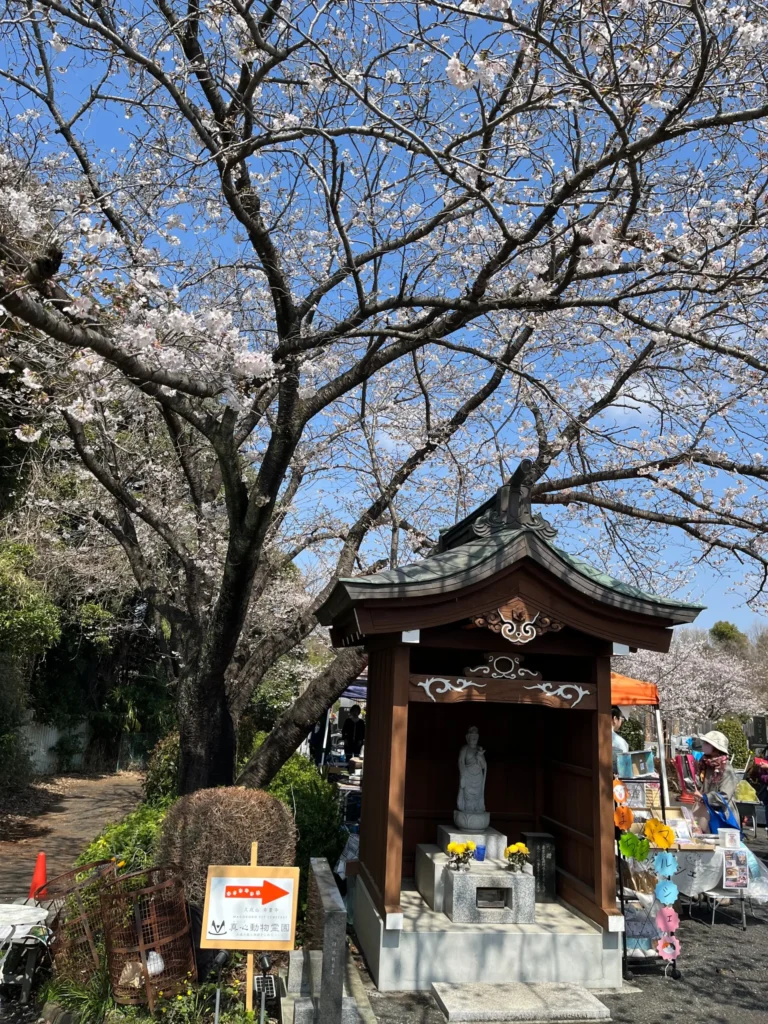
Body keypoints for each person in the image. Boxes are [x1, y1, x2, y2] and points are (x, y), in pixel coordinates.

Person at [696, 730, 740, 830]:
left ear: (716, 748)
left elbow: (724, 796)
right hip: (705, 813)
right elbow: (697, 783)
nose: (704, 745)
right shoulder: (704, 765)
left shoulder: (727, 769)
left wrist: (705, 797)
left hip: (722, 816)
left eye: (707, 743)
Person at [611, 706, 629, 774]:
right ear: (615, 719)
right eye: (621, 719)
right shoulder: (620, 742)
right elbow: (624, 769)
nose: (621, 722)